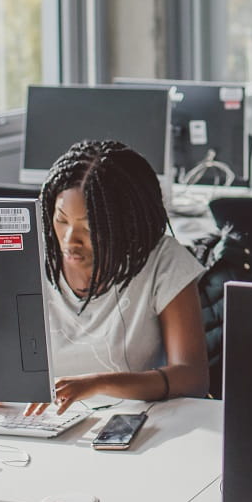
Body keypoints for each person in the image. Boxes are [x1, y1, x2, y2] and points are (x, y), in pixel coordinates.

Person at [29, 139, 209, 414]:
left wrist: (98, 383)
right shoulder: (31, 255)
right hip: (42, 423)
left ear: (124, 224)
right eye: (61, 220)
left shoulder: (162, 261)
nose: (69, 240)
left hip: (133, 423)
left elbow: (192, 378)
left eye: (89, 228)